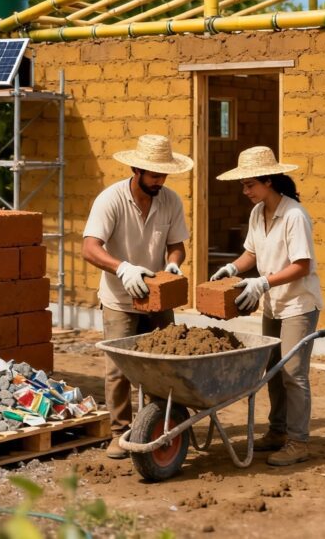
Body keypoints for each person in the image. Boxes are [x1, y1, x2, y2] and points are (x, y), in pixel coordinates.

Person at [82, 134, 193, 459]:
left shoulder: (169, 200)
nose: (160, 180)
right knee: (119, 369)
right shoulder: (111, 200)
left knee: (163, 364)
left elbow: (177, 245)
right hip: (120, 297)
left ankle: (159, 424)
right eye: (154, 175)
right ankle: (119, 432)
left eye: (164, 174)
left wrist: (173, 265)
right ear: (137, 170)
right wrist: (123, 269)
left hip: (158, 297)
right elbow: (89, 247)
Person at [212, 146, 323, 467]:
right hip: (274, 305)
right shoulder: (257, 213)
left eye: (250, 184)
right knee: (272, 371)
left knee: (293, 374)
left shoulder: (294, 216)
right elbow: (252, 254)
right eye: (243, 185)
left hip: (299, 305)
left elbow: (302, 265)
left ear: (269, 181)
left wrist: (262, 282)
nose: (245, 191)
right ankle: (277, 432)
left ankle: (298, 441)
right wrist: (233, 268)